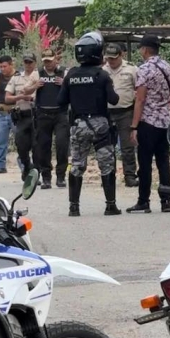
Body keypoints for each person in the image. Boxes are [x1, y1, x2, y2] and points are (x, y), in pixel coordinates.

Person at [57, 32, 121, 217]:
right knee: (106, 165)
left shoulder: (71, 75)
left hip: (78, 125)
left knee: (77, 165)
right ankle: (110, 206)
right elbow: (114, 100)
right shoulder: (102, 75)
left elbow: (61, 100)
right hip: (100, 125)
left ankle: (74, 207)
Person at [127, 34, 170, 214]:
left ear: (145, 49)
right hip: (165, 122)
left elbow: (140, 100)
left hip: (148, 122)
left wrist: (134, 126)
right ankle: (166, 201)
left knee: (144, 163)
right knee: (163, 162)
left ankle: (144, 201)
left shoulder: (144, 70)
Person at [102, 43, 139, 187]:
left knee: (127, 146)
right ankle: (108, 176)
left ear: (121, 55)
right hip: (107, 112)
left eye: (114, 58)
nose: (111, 61)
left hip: (126, 112)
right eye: (109, 58)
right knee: (107, 146)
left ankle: (130, 176)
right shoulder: (102, 71)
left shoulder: (131, 69)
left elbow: (139, 90)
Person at [34, 48, 69, 189]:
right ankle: (46, 177)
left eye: (50, 61)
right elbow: (25, 90)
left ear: (56, 59)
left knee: (62, 145)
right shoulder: (38, 73)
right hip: (43, 114)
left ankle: (61, 176)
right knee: (43, 147)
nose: (48, 64)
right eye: (45, 61)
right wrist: (34, 86)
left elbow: (73, 90)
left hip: (60, 114)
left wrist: (65, 85)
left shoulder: (64, 72)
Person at [5, 53, 40, 180]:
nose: (28, 64)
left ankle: (36, 174)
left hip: (37, 116)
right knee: (21, 146)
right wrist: (21, 97)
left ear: (35, 63)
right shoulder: (16, 78)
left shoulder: (41, 76)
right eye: (26, 62)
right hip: (22, 116)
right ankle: (26, 166)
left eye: (30, 62)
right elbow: (7, 98)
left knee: (37, 147)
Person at [0, 55, 18, 173]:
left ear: (11, 65)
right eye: (1, 66)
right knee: (1, 142)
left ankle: (25, 167)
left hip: (16, 113)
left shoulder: (18, 76)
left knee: (20, 142)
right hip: (2, 113)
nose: (2, 69)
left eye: (5, 66)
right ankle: (0, 166)